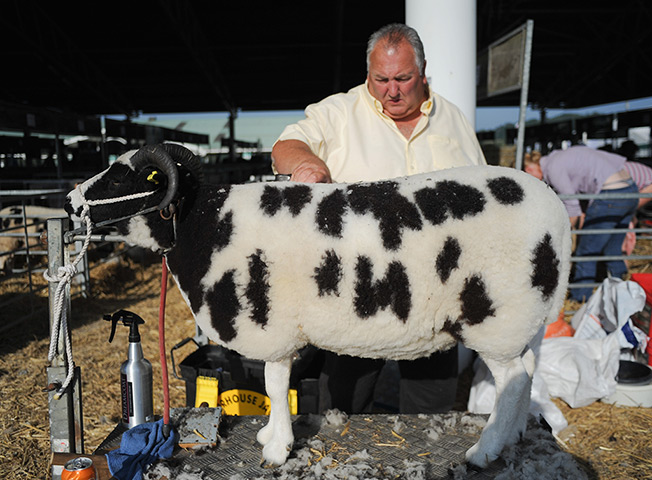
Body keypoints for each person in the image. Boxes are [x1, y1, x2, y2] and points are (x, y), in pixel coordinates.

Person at [272, 23, 486, 414]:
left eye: (403, 78)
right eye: (380, 79)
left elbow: (480, 193)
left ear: (423, 74)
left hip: (434, 296)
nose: (392, 90)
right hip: (356, 292)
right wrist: (306, 165)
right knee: (343, 406)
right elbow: (286, 145)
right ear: (367, 75)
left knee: (430, 410)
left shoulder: (452, 119)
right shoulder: (338, 112)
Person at [524, 146, 638, 303]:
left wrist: (565, 233)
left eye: (527, 176)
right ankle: (624, 293)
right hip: (630, 190)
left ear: (529, 168)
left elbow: (572, 205)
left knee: (586, 252)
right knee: (612, 249)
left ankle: (580, 299)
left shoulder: (553, 168)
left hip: (610, 195)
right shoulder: (562, 156)